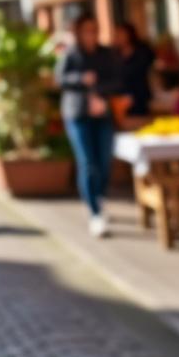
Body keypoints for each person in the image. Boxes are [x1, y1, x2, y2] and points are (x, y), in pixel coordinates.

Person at [55, 15, 122, 239]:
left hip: (102, 113)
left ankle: (99, 196)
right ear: (79, 32)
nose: (91, 34)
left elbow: (117, 80)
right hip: (78, 114)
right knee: (88, 162)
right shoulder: (71, 54)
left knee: (104, 161)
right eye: (86, 30)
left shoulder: (106, 54)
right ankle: (94, 212)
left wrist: (100, 93)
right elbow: (60, 79)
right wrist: (81, 79)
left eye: (94, 30)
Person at [116, 23, 156, 116]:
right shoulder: (115, 54)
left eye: (122, 33)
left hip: (140, 93)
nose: (119, 37)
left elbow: (147, 65)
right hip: (123, 95)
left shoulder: (142, 50)